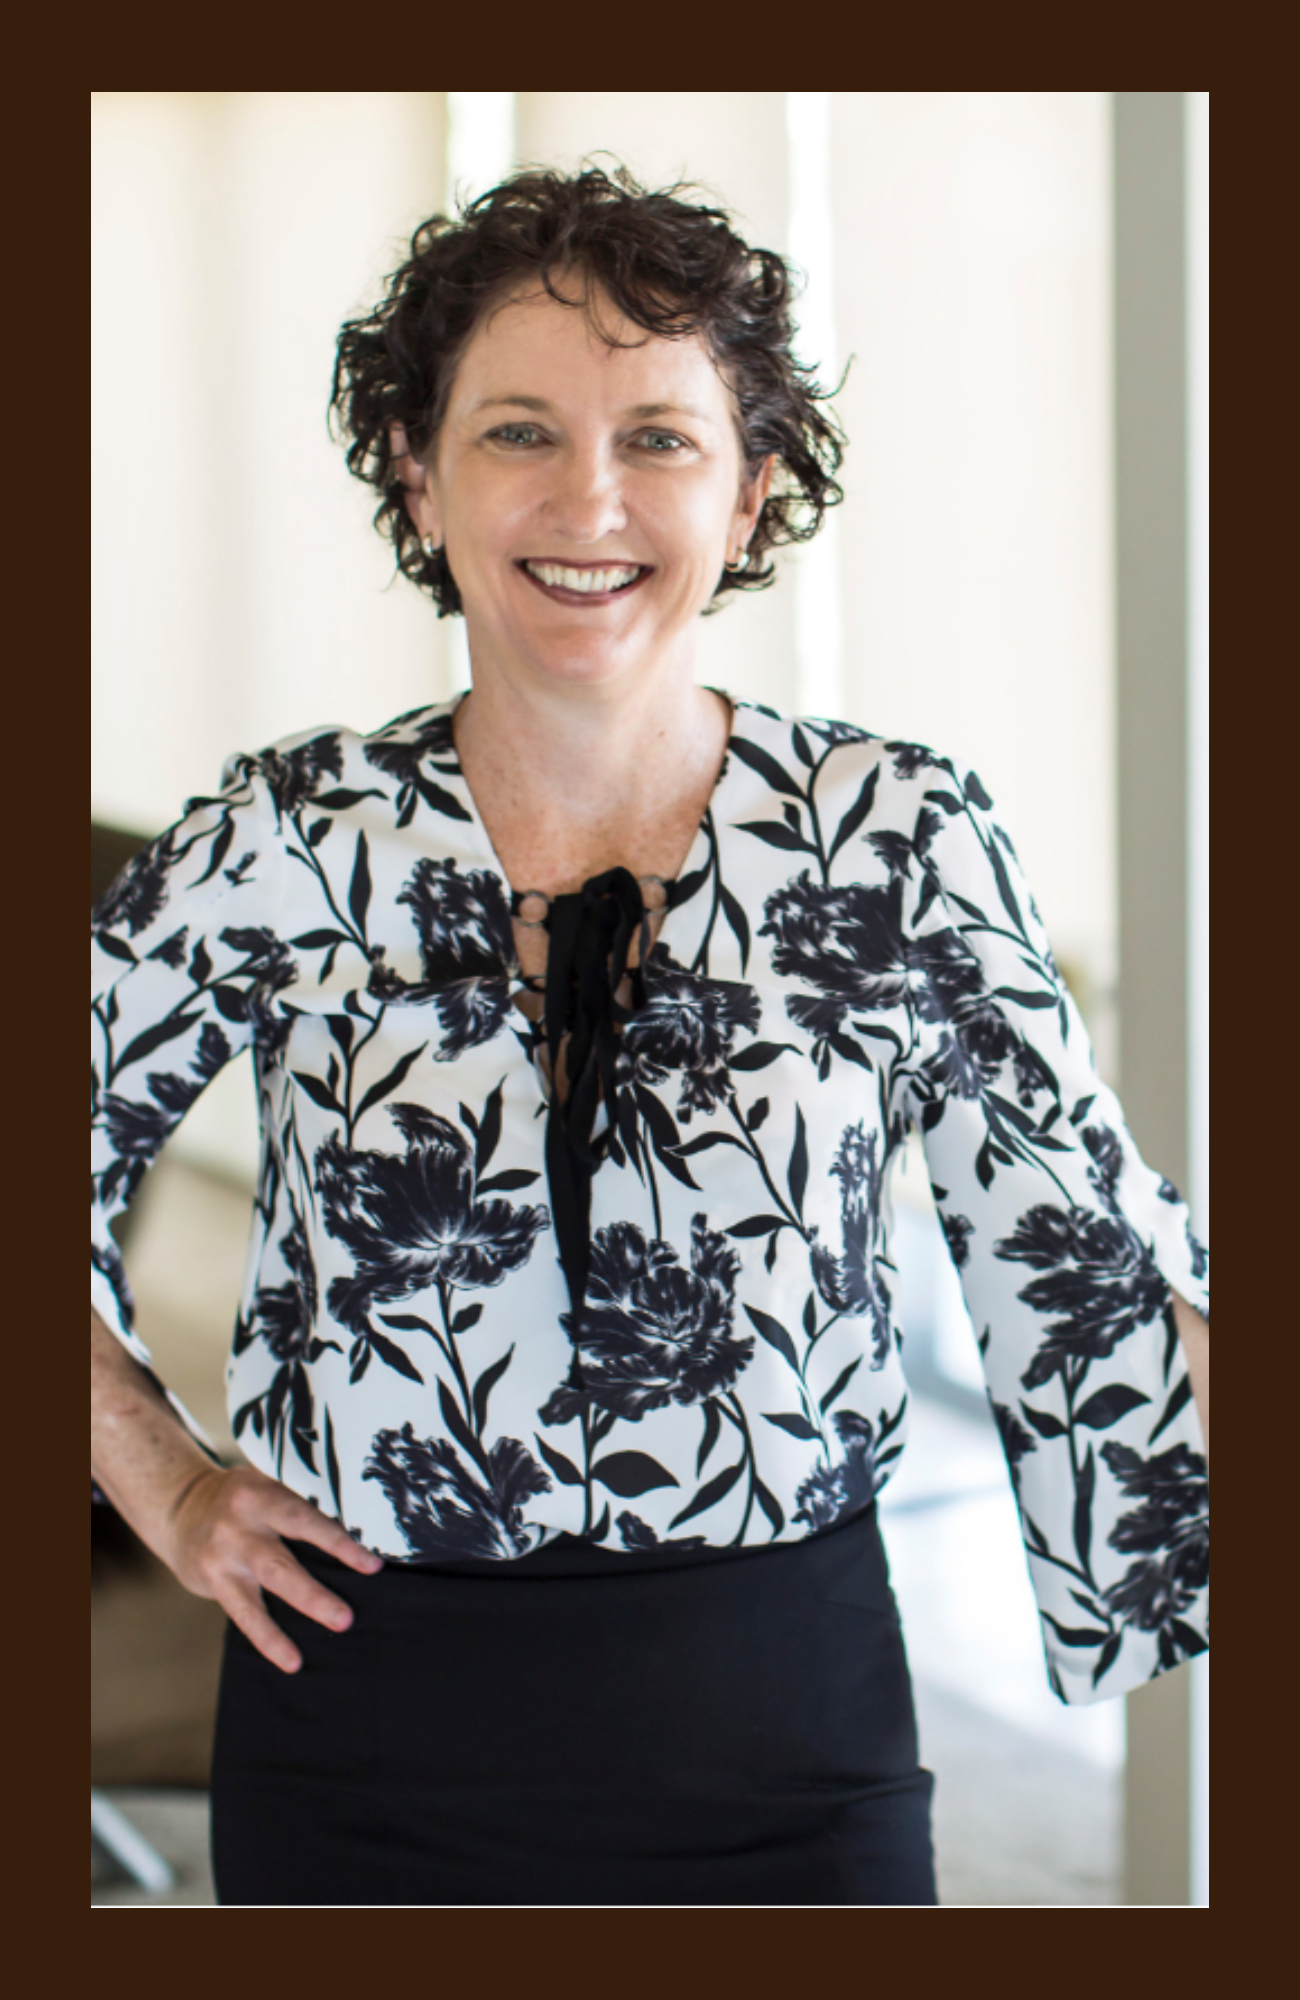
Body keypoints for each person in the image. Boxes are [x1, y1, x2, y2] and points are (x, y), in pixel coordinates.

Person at [90, 163, 1209, 1908]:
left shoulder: (894, 837)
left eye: (661, 438)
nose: (588, 498)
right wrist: (158, 1482)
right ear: (416, 466)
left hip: (790, 1738)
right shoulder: (290, 838)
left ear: (756, 489)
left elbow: (1092, 1242)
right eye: (519, 430)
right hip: (359, 1735)